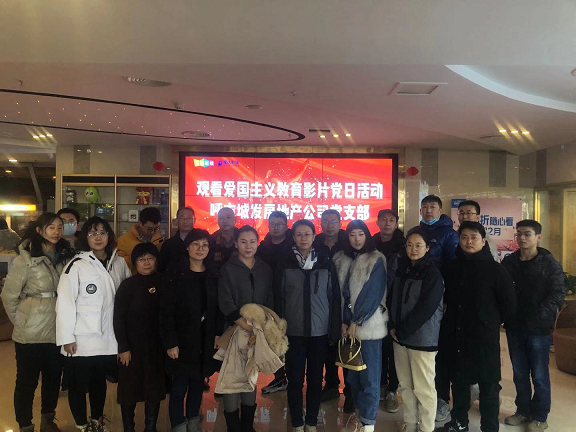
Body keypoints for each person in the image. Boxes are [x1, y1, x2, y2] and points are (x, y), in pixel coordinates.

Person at [437, 221, 516, 432]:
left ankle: (489, 427)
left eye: (474, 237)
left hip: (484, 336)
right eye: (464, 237)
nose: (469, 242)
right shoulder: (451, 268)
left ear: (483, 241)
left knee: (488, 385)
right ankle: (459, 422)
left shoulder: (496, 270)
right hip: (456, 333)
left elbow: (509, 305)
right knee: (459, 381)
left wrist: (488, 321)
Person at [56, 216, 132, 431]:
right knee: (78, 386)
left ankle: (97, 420)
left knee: (99, 382)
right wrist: (66, 338)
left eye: (102, 233)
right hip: (81, 339)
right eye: (92, 233)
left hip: (107, 338)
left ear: (109, 235)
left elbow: (127, 297)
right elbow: (65, 303)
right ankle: (82, 424)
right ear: (85, 238)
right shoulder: (76, 265)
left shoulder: (119, 263)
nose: (98, 238)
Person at [1, 213, 74, 432]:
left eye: (59, 227)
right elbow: (9, 295)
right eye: (51, 227)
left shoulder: (66, 256)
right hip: (30, 333)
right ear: (40, 231)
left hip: (57, 330)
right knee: (27, 382)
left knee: (53, 379)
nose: (56, 231)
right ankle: (25, 425)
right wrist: (20, 320)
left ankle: (47, 421)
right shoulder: (25, 259)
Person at [277, 219, 341, 432]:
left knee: (315, 380)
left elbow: (334, 298)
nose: (303, 238)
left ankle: (311, 422)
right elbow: (279, 298)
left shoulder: (325, 262)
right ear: (293, 237)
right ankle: (296, 422)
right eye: (299, 234)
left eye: (307, 234)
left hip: (319, 333)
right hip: (293, 333)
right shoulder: (285, 263)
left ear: (314, 236)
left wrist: (333, 330)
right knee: (295, 380)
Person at [502, 220, 565, 432]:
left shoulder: (549, 264)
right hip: (514, 326)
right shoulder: (510, 262)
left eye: (527, 234)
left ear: (538, 237)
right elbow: (501, 290)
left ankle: (539, 416)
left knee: (539, 374)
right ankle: (523, 411)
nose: (522, 238)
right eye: (519, 233)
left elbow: (557, 295)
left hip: (538, 329)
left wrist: (539, 315)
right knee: (519, 373)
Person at [160, 228, 223, 432]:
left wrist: (217, 334)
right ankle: (178, 426)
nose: (200, 248)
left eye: (205, 245)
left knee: (197, 385)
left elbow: (218, 309)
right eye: (196, 244)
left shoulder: (213, 274)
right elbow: (166, 311)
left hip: (204, 340)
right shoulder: (175, 274)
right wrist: (171, 342)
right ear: (187, 247)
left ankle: (193, 425)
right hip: (181, 340)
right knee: (179, 388)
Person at [387, 227, 444, 432]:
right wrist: (392, 326)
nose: (413, 249)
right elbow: (393, 300)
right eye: (409, 245)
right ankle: (410, 424)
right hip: (399, 338)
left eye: (418, 245)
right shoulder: (402, 269)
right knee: (405, 385)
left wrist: (402, 330)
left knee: (424, 388)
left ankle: (426, 427)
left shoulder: (433, 274)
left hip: (422, 340)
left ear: (427, 248)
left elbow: (426, 309)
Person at [218, 225, 274, 432]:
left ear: (258, 243)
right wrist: (243, 323)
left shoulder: (265, 269)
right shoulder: (228, 269)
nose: (248, 246)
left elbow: (269, 299)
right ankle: (233, 427)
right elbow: (224, 300)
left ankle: (247, 426)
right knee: (233, 379)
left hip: (257, 332)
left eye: (252, 242)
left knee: (251, 375)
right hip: (234, 330)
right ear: (236, 244)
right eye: (243, 242)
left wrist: (263, 326)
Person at [333, 220, 387, 432]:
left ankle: (368, 423)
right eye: (352, 234)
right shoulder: (340, 258)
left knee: (369, 377)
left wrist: (357, 320)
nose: (356, 239)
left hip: (368, 327)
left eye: (361, 234)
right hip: (346, 327)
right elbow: (337, 294)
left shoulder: (376, 259)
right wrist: (343, 322)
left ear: (367, 235)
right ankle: (359, 416)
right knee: (352, 377)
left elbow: (372, 294)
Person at [113, 243, 166, 432]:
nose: (146, 263)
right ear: (134, 262)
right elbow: (118, 318)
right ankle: (129, 428)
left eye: (150, 258)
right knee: (129, 389)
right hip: (132, 347)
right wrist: (123, 347)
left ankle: (150, 427)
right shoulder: (127, 286)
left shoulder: (163, 282)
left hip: (156, 347)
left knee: (153, 389)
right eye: (141, 259)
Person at [419, 195, 458, 421]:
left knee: (439, 353)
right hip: (418, 299)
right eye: (424, 207)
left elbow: (452, 270)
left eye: (432, 207)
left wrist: (446, 300)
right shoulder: (416, 231)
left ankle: (441, 400)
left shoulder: (449, 235)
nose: (428, 211)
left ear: (440, 210)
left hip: (439, 301)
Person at [313, 210, 353, 410]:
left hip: (345, 300)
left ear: (340, 222)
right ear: (321, 223)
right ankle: (330, 385)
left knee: (346, 345)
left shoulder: (348, 242)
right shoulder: (315, 243)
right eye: (326, 221)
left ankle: (350, 391)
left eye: (333, 221)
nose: (329, 225)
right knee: (328, 346)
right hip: (322, 301)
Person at [256, 211, 293, 396]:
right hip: (270, 300)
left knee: (292, 341)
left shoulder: (294, 246)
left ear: (286, 226)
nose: (276, 227)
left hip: (293, 300)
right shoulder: (262, 248)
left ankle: (293, 377)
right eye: (273, 224)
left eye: (280, 224)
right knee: (274, 340)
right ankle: (280, 377)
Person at [372, 209, 405, 413]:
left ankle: (392, 389)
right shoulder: (371, 243)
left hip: (396, 302)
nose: (387, 223)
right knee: (378, 346)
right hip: (375, 302)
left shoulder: (403, 245)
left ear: (396, 223)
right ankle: (381, 386)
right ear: (377, 222)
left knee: (393, 348)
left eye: (391, 220)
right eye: (383, 220)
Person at [117, 207, 165, 274]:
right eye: (149, 229)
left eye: (156, 228)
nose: (153, 232)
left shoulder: (159, 239)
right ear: (140, 223)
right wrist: (137, 258)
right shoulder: (123, 240)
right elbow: (119, 263)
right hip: (132, 277)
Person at [158, 207, 196, 272]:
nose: (185, 221)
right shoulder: (168, 244)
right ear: (176, 220)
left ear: (194, 220)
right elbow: (162, 268)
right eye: (182, 218)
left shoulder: (203, 242)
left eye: (188, 218)